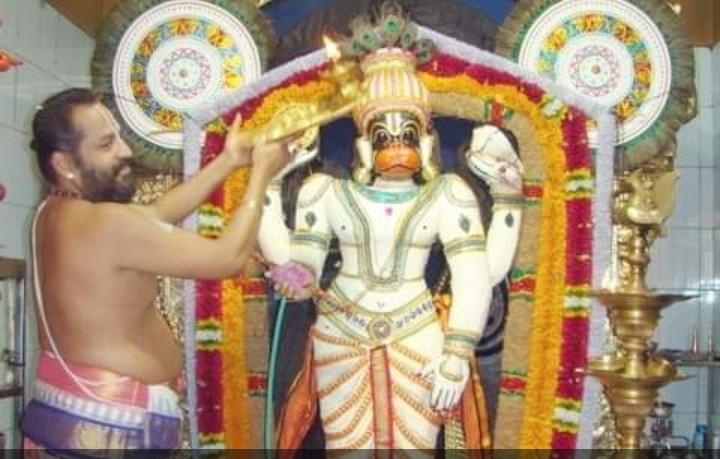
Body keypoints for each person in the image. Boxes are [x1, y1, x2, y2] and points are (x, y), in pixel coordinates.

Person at [20, 88, 292, 456]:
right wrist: (261, 178)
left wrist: (229, 161)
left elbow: (157, 214)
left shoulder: (52, 214)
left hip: (77, 419)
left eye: (118, 137)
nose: (125, 151)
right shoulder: (105, 224)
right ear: (64, 164)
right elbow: (227, 259)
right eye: (106, 144)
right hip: (109, 432)